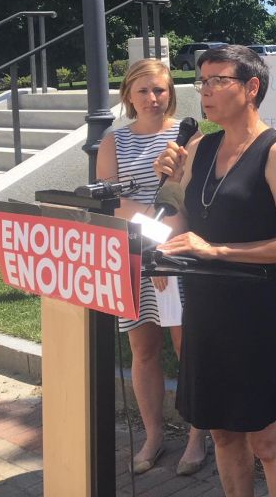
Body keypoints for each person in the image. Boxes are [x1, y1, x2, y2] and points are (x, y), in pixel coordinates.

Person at [153, 45, 276, 496]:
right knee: (221, 431)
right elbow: (185, 223)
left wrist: (217, 251)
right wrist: (164, 185)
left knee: (266, 437)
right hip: (204, 308)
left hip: (255, 310)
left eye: (218, 80)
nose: (205, 91)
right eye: (201, 81)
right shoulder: (199, 147)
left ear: (251, 87)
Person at [96, 59, 208, 476]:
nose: (153, 98)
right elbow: (112, 199)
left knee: (186, 346)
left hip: (174, 252)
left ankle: (198, 435)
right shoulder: (113, 141)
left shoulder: (188, 136)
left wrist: (162, 225)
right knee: (143, 349)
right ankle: (154, 434)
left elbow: (186, 198)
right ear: (128, 95)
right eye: (143, 91)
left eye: (160, 89)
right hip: (132, 254)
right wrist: (148, 219)